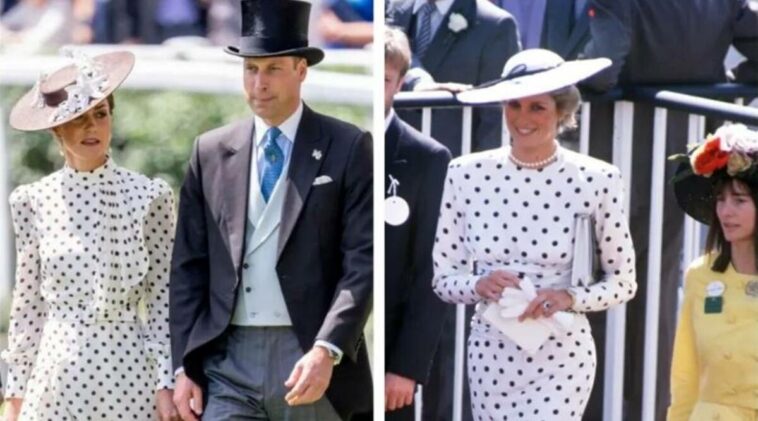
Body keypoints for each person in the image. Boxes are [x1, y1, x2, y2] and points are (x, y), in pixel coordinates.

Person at [168, 1, 373, 420]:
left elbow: (362, 264)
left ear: (301, 70)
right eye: (251, 70)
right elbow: (188, 268)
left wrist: (327, 349)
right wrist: (183, 366)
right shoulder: (209, 151)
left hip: (309, 356)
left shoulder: (348, 146)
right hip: (226, 361)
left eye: (274, 69)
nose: (259, 83)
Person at [432, 48, 637, 420]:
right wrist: (480, 284)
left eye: (537, 107)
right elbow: (443, 279)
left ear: (562, 112)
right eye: (514, 105)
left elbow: (623, 281)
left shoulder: (597, 178)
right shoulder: (465, 174)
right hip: (492, 354)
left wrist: (568, 296)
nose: (522, 119)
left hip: (563, 353)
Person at [1, 50, 177, 420]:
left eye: (100, 114)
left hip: (128, 374)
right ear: (56, 130)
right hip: (57, 375)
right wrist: (15, 396)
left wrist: (165, 382)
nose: (91, 128)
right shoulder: (32, 200)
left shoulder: (150, 197)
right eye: (78, 119)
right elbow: (29, 305)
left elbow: (164, 298)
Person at [384, 26, 452, 420]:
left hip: (392, 355)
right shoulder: (332, 143)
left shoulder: (426, 157)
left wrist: (406, 366)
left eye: (386, 81)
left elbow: (431, 268)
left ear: (401, 83)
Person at [668, 124, 758, 420]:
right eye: (720, 200)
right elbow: (685, 374)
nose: (726, 211)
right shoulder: (700, 273)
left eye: (739, 200)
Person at [386, 0, 520, 156]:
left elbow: (495, 120)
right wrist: (418, 82)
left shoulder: (496, 25)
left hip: (454, 166)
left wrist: (480, 174)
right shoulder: (392, 8)